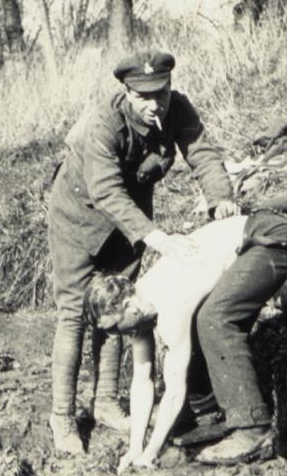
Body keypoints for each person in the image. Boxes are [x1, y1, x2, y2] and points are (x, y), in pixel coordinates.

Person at [47, 49, 240, 454]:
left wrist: (220, 198)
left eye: (162, 94)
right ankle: (62, 418)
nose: (154, 105)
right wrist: (157, 238)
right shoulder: (104, 121)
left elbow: (202, 153)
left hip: (130, 220)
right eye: (143, 97)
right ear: (126, 92)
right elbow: (105, 191)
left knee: (124, 307)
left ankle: (105, 402)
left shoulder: (178, 109)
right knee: (74, 314)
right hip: (80, 218)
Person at [83, 210, 287, 471]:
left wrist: (151, 452)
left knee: (214, 318)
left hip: (271, 237)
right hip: (251, 245)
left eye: (114, 327)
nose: (114, 336)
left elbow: (174, 392)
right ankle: (207, 413)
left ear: (128, 305)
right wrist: (135, 448)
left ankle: (252, 430)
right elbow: (142, 381)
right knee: (204, 317)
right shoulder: (140, 309)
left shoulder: (169, 305)